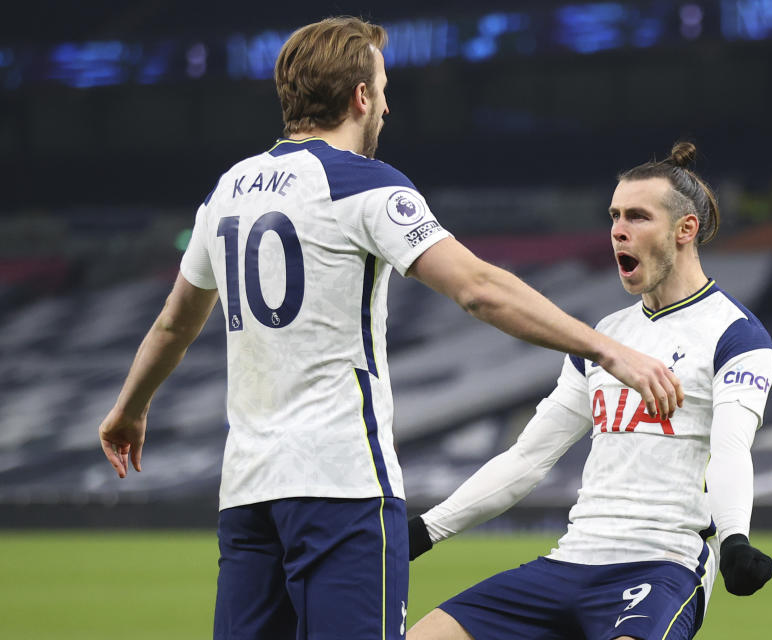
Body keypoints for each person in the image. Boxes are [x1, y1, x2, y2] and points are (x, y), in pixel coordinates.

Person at [96, 17, 683, 640]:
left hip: (248, 491)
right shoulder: (364, 184)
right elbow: (480, 290)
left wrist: (130, 408)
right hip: (342, 486)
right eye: (383, 86)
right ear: (359, 96)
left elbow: (173, 322)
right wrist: (606, 348)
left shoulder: (227, 192)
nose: (387, 103)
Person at [407, 142, 772, 640]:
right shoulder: (605, 338)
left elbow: (732, 450)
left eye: (639, 217)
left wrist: (734, 539)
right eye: (614, 216)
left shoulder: (735, 335)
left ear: (685, 230)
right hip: (571, 560)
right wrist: (424, 531)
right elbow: (528, 459)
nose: (619, 230)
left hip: (660, 566)